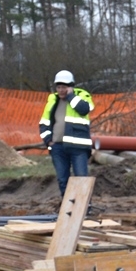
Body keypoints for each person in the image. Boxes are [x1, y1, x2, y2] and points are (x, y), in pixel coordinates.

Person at [38, 69, 94, 197]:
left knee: (81, 178)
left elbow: (84, 109)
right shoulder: (53, 101)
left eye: (64, 87)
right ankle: (67, 208)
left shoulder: (82, 96)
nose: (61, 90)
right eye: (59, 87)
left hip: (78, 148)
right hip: (58, 147)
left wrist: (71, 96)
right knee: (63, 180)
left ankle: (84, 208)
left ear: (71, 87)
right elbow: (44, 123)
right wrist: (48, 140)